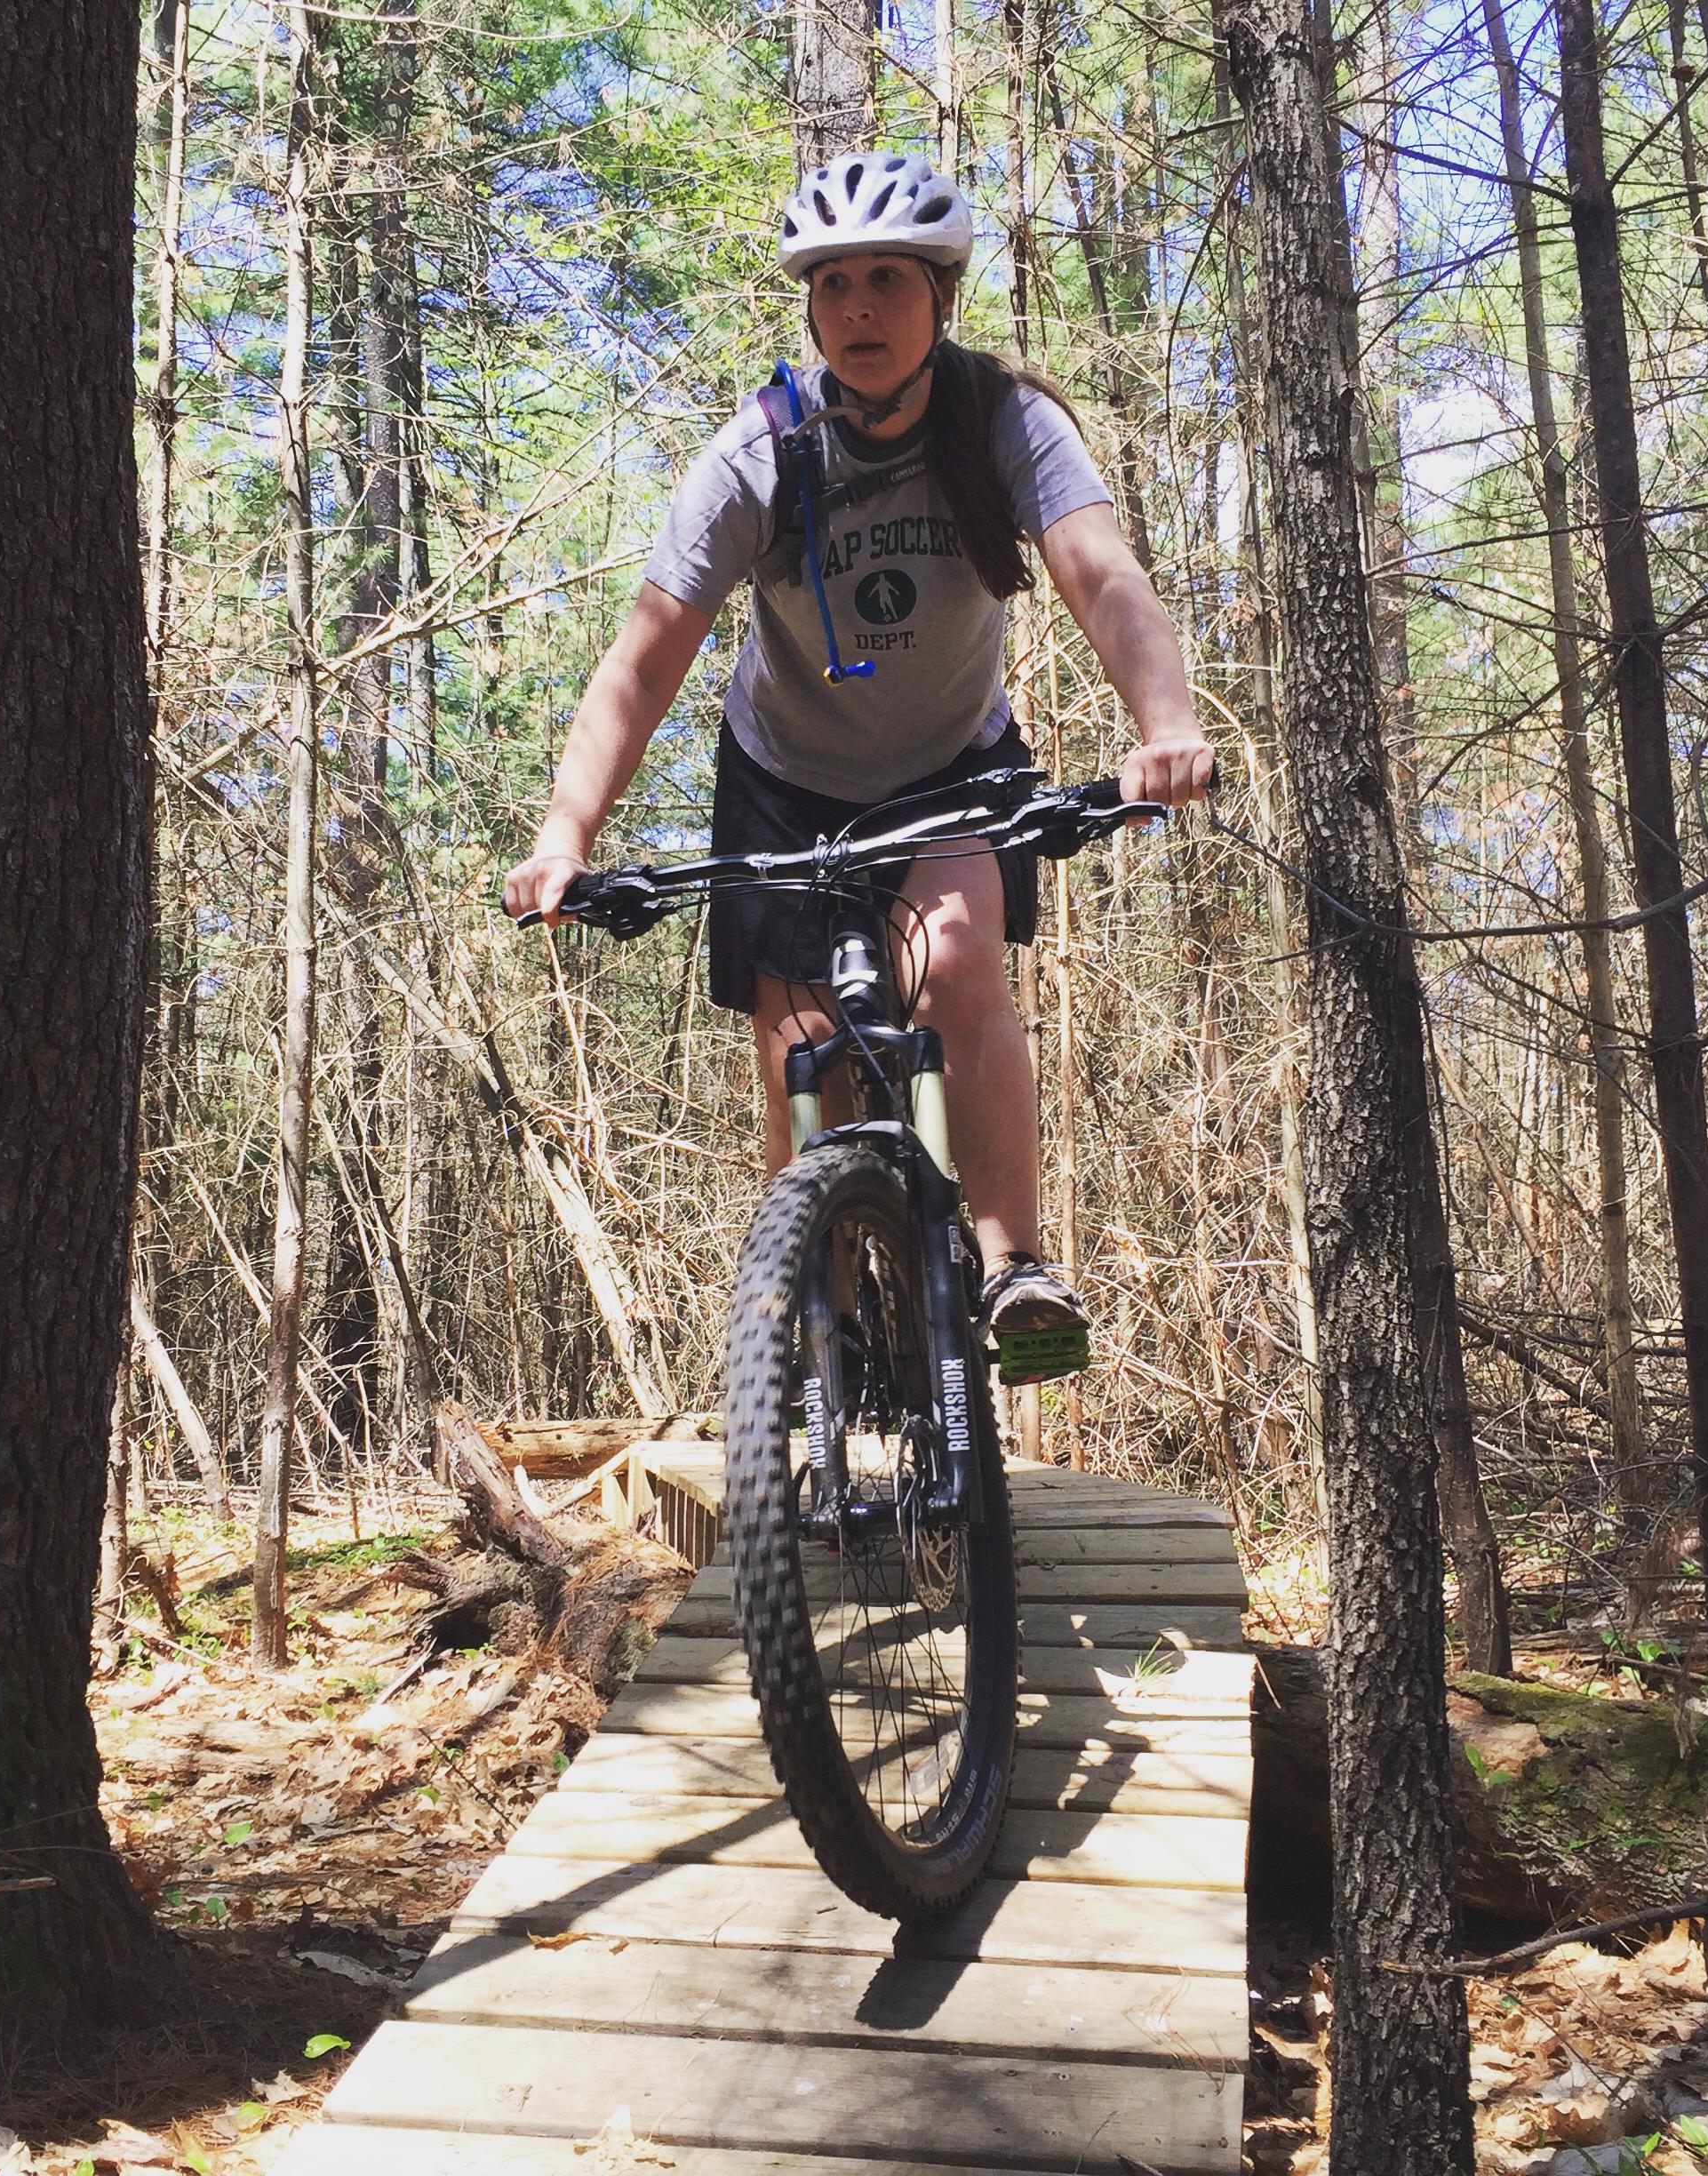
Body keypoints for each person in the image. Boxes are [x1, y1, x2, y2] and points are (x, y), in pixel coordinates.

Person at [505, 148, 1214, 1372]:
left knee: (956, 967)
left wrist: (1168, 723)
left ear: (941, 295)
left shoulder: (1005, 421)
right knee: (805, 1065)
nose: (860, 309)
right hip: (784, 783)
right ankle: (823, 1336)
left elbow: (1100, 572)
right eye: (834, 286)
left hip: (951, 767)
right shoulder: (758, 456)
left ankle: (1013, 1269)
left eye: (889, 279)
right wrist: (566, 835)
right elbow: (644, 659)